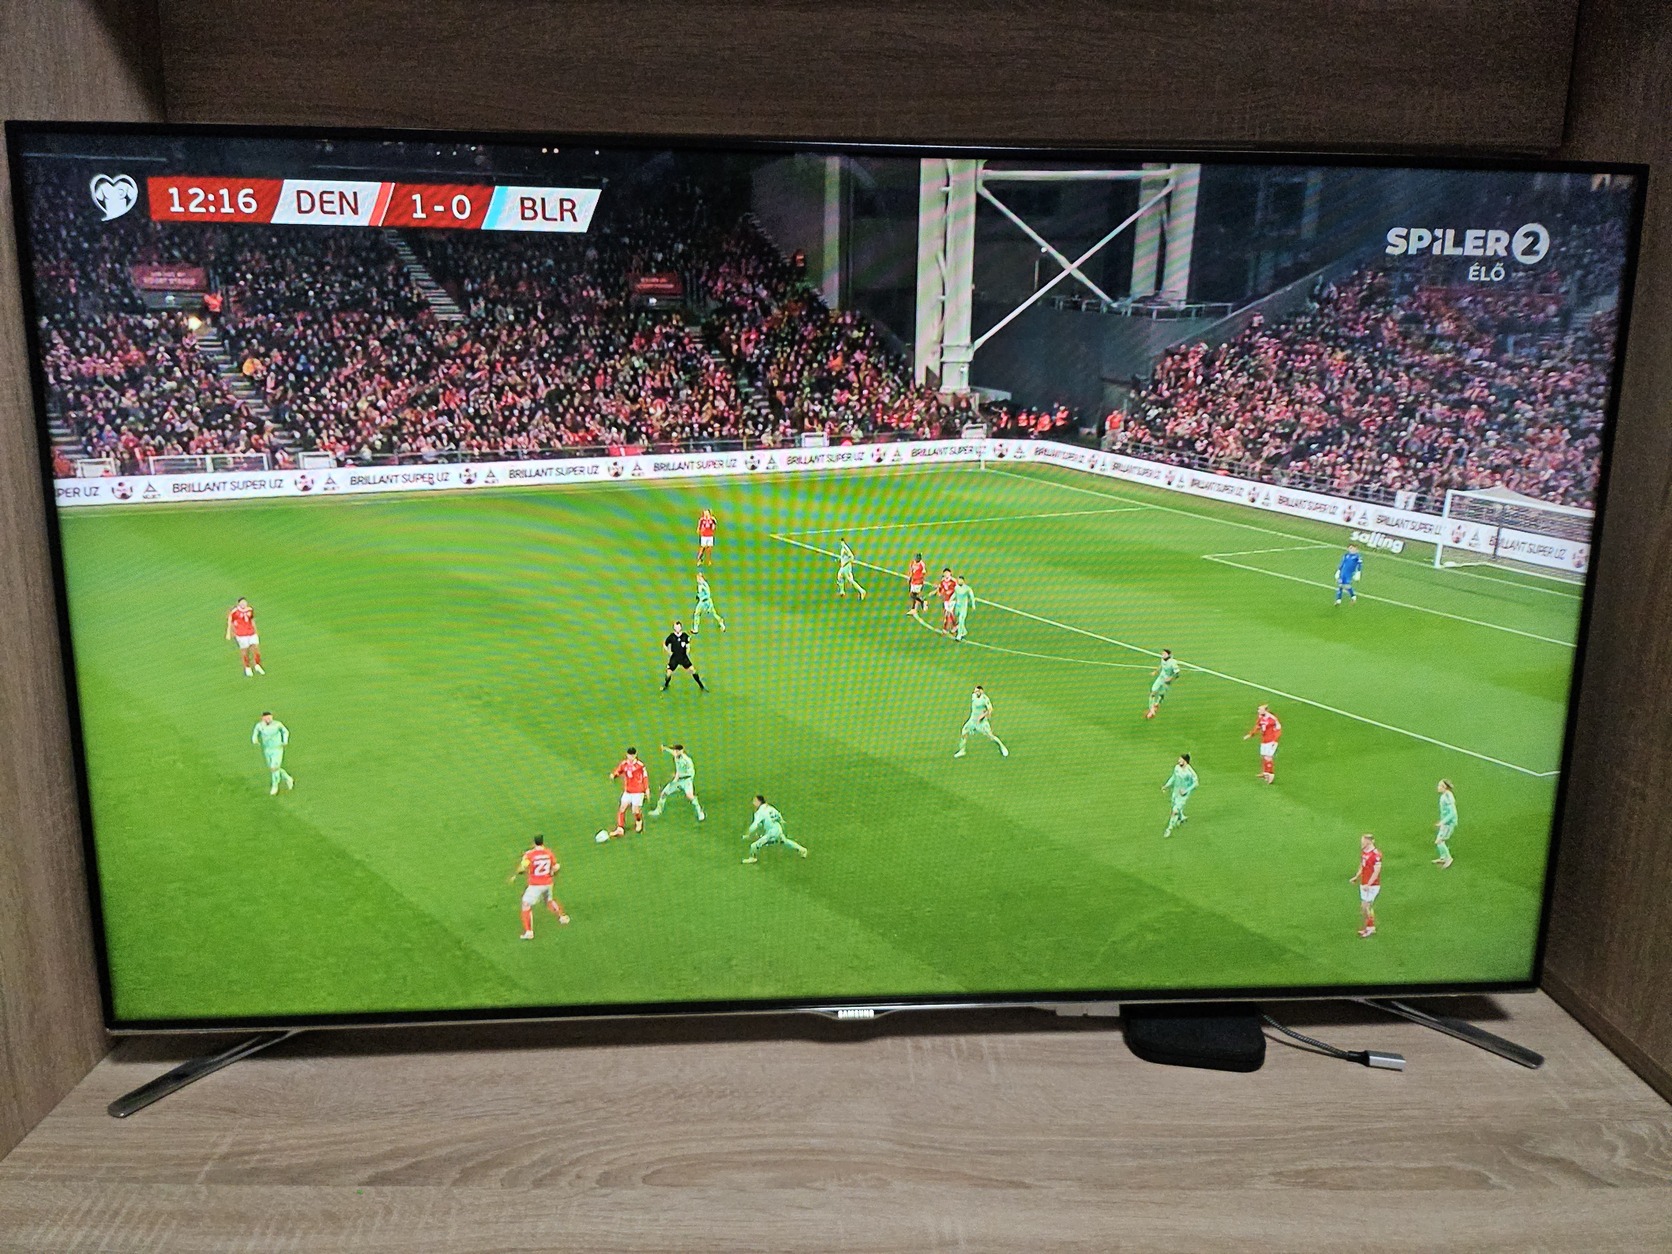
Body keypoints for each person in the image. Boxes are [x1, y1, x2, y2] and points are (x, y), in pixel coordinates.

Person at [508, 834, 569, 939]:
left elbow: (523, 867)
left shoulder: (529, 854)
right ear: (542, 842)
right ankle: (562, 917)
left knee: (526, 904)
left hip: (535, 885)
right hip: (548, 883)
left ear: (534, 843)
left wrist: (516, 874)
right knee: (549, 901)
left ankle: (529, 932)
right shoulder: (549, 853)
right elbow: (556, 867)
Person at [742, 794, 808, 863]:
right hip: (778, 830)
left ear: (759, 802)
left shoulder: (760, 812)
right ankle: (802, 850)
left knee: (754, 845)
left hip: (772, 833)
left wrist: (748, 833)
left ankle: (752, 858)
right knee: (785, 841)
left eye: (755, 801)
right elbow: (780, 818)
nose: (753, 803)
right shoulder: (770, 808)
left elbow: (754, 825)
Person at [651, 743, 706, 821]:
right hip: (677, 781)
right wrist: (664, 748)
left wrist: (679, 775)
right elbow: (671, 751)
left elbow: (691, 773)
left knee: (690, 796)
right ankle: (658, 810)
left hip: (686, 781)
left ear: (681, 751)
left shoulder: (687, 760)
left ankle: (700, 812)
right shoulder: (676, 755)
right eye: (675, 751)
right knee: (664, 793)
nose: (675, 752)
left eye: (677, 751)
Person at [955, 684, 1010, 758]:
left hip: (982, 723)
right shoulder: (973, 696)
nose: (975, 692)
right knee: (964, 732)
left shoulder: (985, 699)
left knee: (991, 736)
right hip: (972, 721)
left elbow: (990, 709)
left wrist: (982, 716)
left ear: (981, 691)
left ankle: (1002, 747)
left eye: (977, 691)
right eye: (975, 691)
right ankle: (962, 751)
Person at [609, 747, 650, 836]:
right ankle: (620, 828)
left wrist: (646, 789)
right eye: (629, 755)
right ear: (627, 755)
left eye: (632, 755)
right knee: (622, 808)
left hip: (638, 791)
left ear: (635, 755)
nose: (631, 757)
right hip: (628, 791)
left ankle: (639, 821)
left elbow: (645, 777)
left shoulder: (640, 765)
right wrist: (614, 774)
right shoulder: (624, 764)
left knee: (635, 810)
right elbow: (619, 770)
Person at [251, 711, 293, 795]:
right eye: (266, 718)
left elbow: (285, 731)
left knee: (274, 767)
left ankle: (275, 786)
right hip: (267, 749)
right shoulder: (260, 726)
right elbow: (255, 732)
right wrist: (254, 739)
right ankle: (288, 778)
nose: (268, 719)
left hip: (277, 749)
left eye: (269, 717)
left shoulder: (277, 724)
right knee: (272, 768)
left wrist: (285, 741)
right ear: (262, 718)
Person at [662, 620, 707, 691]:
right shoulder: (671, 636)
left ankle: (701, 686)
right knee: (668, 673)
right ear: (674, 628)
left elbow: (688, 645)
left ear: (681, 627)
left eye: (678, 627)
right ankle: (666, 685)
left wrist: (687, 650)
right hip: (674, 657)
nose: (677, 629)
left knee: (693, 671)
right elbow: (665, 644)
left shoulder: (685, 636)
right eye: (676, 627)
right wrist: (669, 652)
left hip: (683, 657)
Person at [1243, 703, 1282, 784]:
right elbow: (1257, 726)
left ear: (1266, 710)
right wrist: (1250, 734)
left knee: (1268, 757)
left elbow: (1278, 730)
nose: (1258, 711)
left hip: (1271, 741)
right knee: (1264, 756)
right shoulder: (1261, 717)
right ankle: (1265, 773)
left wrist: (1275, 740)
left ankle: (1271, 775)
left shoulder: (1272, 719)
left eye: (1260, 709)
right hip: (1264, 740)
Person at [226, 597, 265, 677]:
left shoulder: (250, 610)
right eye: (242, 603)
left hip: (251, 632)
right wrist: (229, 633)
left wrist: (256, 631)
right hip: (241, 634)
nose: (244, 604)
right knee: (245, 651)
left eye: (245, 602)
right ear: (239, 604)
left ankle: (257, 665)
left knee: (256, 649)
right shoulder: (235, 612)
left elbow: (252, 620)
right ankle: (247, 667)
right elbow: (230, 622)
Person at [1352, 833, 1382, 936]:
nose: (1361, 843)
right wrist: (1357, 877)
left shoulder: (1376, 855)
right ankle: (1370, 927)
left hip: (1372, 885)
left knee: (1366, 906)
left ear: (1369, 841)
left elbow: (1377, 871)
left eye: (1363, 841)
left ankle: (1370, 928)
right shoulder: (1364, 852)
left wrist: (1369, 884)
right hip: (1364, 883)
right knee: (1364, 908)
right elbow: (1362, 865)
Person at [1162, 753, 1197, 837]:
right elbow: (1173, 777)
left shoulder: (1190, 772)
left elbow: (1196, 783)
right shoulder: (1177, 768)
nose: (1178, 761)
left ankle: (1169, 829)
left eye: (1180, 759)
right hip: (1175, 792)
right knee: (1174, 806)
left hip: (1183, 795)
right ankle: (1181, 818)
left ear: (1185, 761)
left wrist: (1186, 790)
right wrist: (1166, 785)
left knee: (1175, 811)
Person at [1145, 650, 1181, 719]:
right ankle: (1151, 710)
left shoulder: (1173, 663)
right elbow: (1161, 665)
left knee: (1161, 694)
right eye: (1162, 654)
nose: (1163, 655)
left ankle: (1157, 704)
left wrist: (1170, 678)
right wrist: (1155, 672)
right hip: (1160, 678)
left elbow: (1177, 674)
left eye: (1164, 654)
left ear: (1169, 655)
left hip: (1167, 681)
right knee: (1153, 692)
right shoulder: (1162, 659)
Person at [1433, 780, 1458, 868]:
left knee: (1439, 841)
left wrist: (1442, 822)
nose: (1438, 787)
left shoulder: (1447, 798)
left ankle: (1448, 859)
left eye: (1440, 786)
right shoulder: (1445, 795)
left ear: (1445, 787)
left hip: (1448, 823)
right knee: (1439, 840)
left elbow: (1452, 813)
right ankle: (1443, 857)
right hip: (1445, 822)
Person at [952, 575, 976, 641]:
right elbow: (955, 594)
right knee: (957, 618)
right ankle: (964, 631)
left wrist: (973, 604)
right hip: (957, 606)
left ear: (963, 581)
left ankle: (959, 635)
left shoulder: (967, 588)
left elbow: (972, 596)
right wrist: (950, 600)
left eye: (960, 580)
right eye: (958, 580)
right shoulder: (956, 587)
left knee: (961, 620)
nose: (959, 581)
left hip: (963, 607)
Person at [935, 567, 958, 635]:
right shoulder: (943, 581)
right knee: (949, 613)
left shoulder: (953, 581)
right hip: (946, 599)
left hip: (952, 599)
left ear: (950, 573)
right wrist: (939, 592)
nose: (946, 574)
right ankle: (955, 626)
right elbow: (940, 588)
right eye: (945, 573)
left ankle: (945, 629)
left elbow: (957, 589)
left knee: (948, 613)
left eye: (947, 573)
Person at [906, 553, 927, 617]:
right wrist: (909, 578)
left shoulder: (922, 564)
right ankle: (913, 609)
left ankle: (922, 602)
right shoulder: (912, 563)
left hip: (918, 582)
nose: (916, 559)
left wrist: (919, 579)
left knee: (912, 595)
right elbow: (911, 571)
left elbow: (923, 573)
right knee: (913, 595)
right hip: (913, 581)